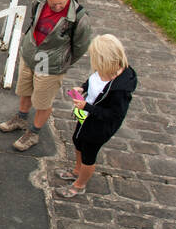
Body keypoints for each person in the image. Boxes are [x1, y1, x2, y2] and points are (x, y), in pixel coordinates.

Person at [0, 0, 93, 151]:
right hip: (31, 54)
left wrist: (62, 61)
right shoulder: (40, 2)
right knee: (25, 90)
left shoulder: (80, 19)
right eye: (53, 4)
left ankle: (34, 132)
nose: (57, 7)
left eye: (60, 4)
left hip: (50, 64)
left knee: (43, 100)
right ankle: (21, 118)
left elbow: (80, 47)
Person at [59, 36, 137, 197]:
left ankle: (80, 185)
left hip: (99, 126)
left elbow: (114, 114)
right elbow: (92, 81)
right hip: (86, 116)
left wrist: (87, 107)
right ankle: (76, 171)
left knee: (89, 153)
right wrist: (82, 88)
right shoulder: (104, 69)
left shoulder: (120, 88)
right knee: (77, 140)